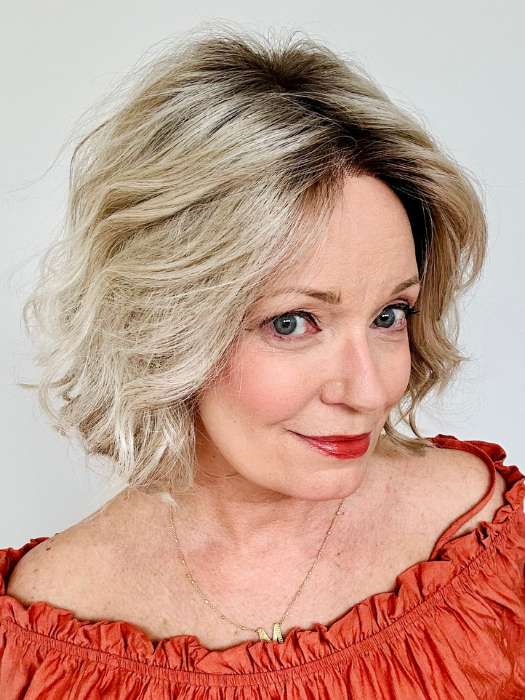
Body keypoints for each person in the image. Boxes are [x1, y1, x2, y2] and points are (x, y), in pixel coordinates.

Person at [1, 22, 524, 699]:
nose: (369, 390)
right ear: (164, 324)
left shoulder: (493, 557)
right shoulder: (40, 648)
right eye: (292, 322)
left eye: (389, 315)